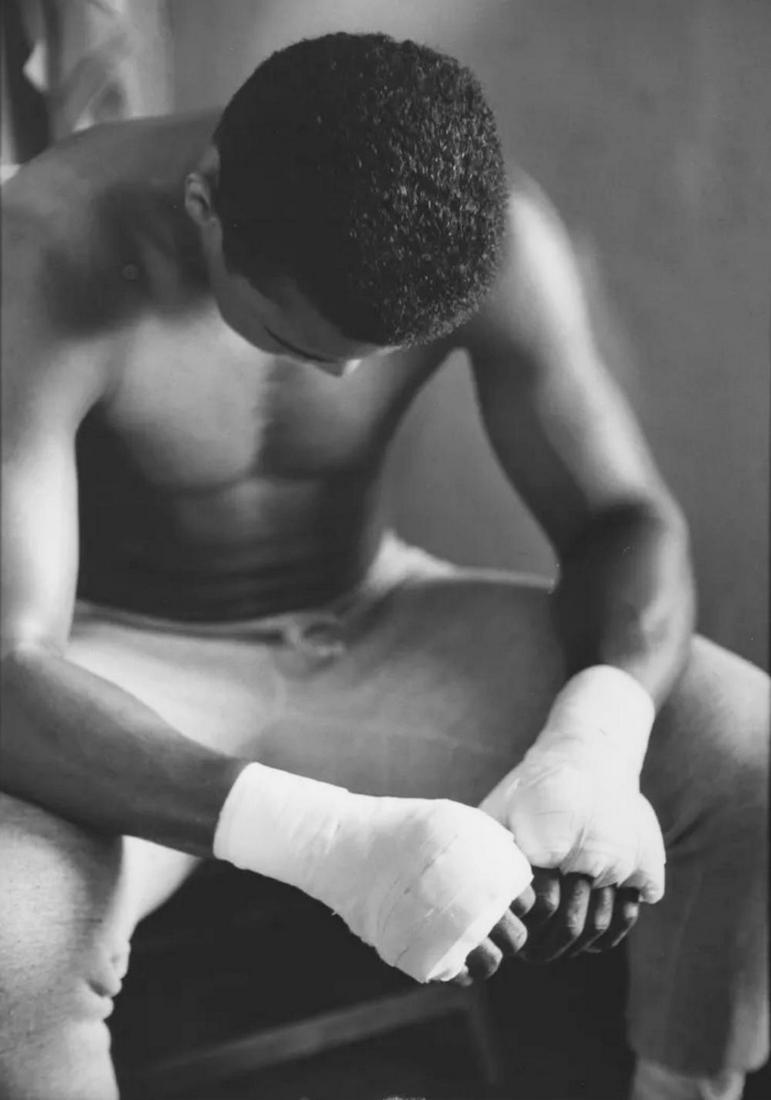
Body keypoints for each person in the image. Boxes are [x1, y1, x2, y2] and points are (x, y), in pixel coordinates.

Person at [0, 31, 766, 1100]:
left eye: (372, 348)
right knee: (8, 939)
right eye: (295, 336)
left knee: (749, 752)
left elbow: (623, 516)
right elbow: (10, 663)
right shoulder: (41, 250)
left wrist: (597, 736)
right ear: (206, 200)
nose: (346, 372)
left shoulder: (494, 233)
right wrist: (325, 841)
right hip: (121, 658)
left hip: (375, 613)